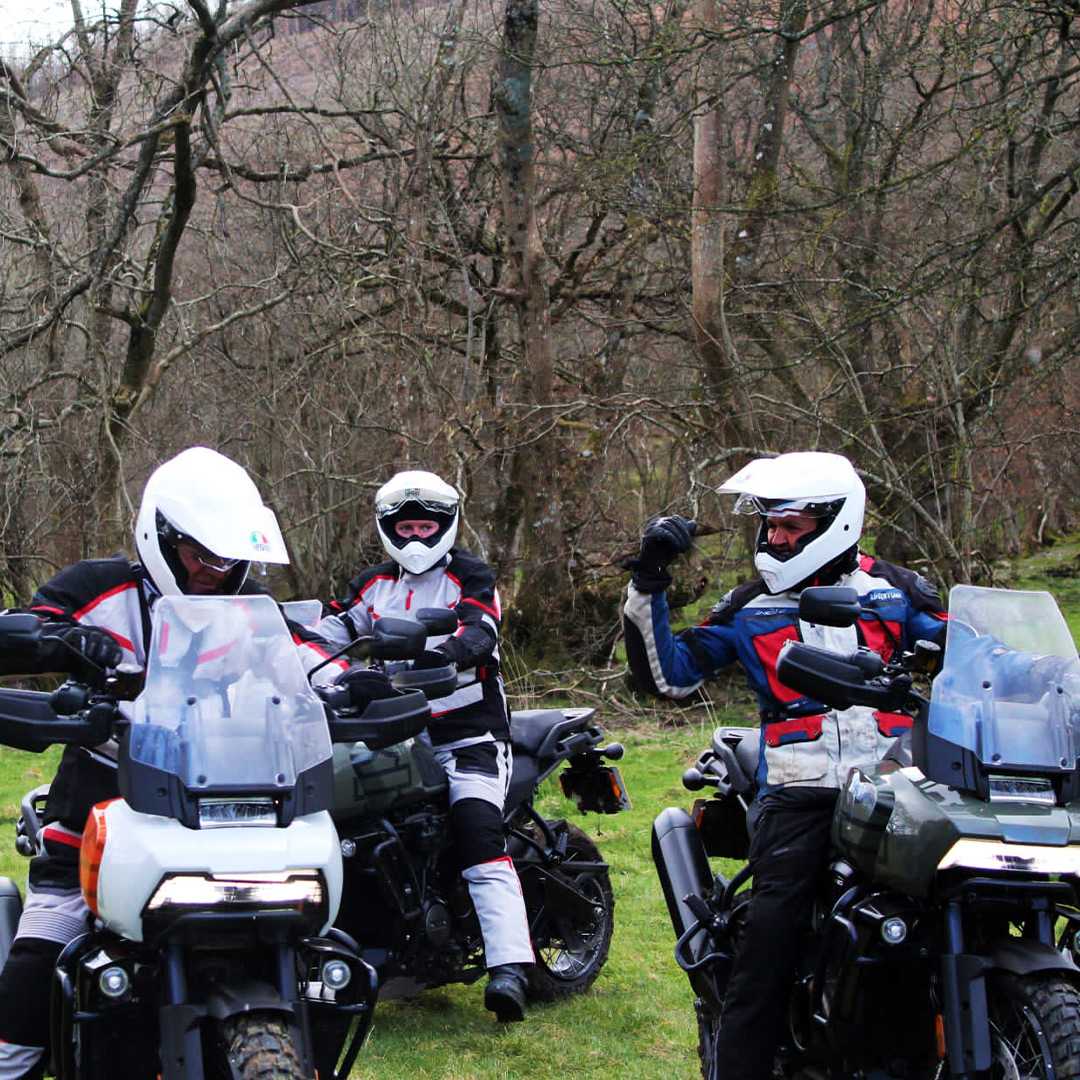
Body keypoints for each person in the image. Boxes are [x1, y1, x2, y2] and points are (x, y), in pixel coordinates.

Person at [0, 446, 385, 1080]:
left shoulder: (249, 609)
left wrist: (350, 682)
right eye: (200, 554)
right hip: (103, 803)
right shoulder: (99, 589)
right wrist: (66, 642)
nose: (215, 570)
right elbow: (28, 625)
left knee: (313, 943)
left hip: (226, 801)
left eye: (229, 557)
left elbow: (306, 653)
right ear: (161, 536)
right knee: (38, 962)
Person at [622, 451, 948, 1080]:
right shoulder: (751, 604)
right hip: (802, 794)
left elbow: (971, 649)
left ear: (837, 521)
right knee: (770, 938)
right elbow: (668, 677)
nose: (773, 538)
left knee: (947, 909)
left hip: (902, 790)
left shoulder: (898, 590)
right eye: (767, 526)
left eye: (789, 527)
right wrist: (649, 579)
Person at [314, 469, 535, 1022]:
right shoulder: (371, 584)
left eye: (425, 526)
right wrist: (326, 669)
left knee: (478, 829)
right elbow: (332, 630)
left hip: (470, 736)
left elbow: (481, 630)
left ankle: (510, 967)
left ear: (445, 526)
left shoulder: (470, 575)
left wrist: (445, 657)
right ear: (388, 528)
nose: (415, 537)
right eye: (405, 527)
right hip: (394, 735)